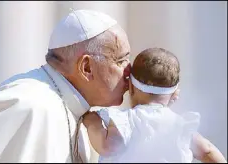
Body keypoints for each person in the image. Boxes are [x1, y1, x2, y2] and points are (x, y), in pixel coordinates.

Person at [0, 9, 133, 163]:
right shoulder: (29, 105)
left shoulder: (84, 118)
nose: (130, 71)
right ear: (86, 68)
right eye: (121, 60)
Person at [82, 48, 227, 163]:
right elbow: (208, 151)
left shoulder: (126, 121)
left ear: (131, 87)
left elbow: (107, 146)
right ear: (175, 94)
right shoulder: (181, 127)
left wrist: (92, 122)